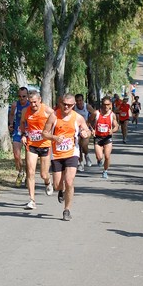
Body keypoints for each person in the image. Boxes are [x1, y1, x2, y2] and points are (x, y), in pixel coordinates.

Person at [42, 93, 90, 221]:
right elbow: (44, 133)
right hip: (57, 154)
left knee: (69, 181)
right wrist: (54, 137)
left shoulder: (78, 118)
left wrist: (86, 133)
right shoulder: (54, 116)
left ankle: (67, 210)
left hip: (72, 153)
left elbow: (87, 130)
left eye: (69, 105)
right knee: (57, 185)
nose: (66, 107)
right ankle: (61, 190)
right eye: (64, 104)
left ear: (73, 105)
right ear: (60, 103)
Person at [19, 91, 54, 210]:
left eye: (35, 102)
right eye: (30, 102)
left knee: (44, 174)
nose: (33, 105)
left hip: (45, 144)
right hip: (31, 144)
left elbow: (57, 123)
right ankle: (32, 200)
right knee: (30, 172)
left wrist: (52, 135)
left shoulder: (47, 110)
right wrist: (23, 134)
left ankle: (48, 182)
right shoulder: (25, 111)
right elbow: (22, 122)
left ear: (40, 100)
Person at [88, 96, 119, 179]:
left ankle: (105, 171)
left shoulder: (112, 115)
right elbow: (88, 122)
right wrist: (92, 129)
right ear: (102, 104)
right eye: (104, 104)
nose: (106, 106)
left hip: (107, 138)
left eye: (108, 104)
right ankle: (99, 160)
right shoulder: (96, 113)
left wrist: (112, 131)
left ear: (110, 105)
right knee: (99, 157)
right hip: (98, 138)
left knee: (107, 156)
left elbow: (116, 126)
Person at [8, 87, 30, 186]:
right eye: (20, 96)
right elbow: (12, 114)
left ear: (27, 96)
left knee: (28, 158)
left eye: (24, 96)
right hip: (18, 131)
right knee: (16, 155)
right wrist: (11, 124)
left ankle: (29, 177)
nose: (22, 98)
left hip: (29, 133)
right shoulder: (15, 105)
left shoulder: (31, 105)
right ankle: (21, 172)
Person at [73, 94, 95, 171]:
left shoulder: (87, 106)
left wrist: (89, 122)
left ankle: (87, 155)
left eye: (80, 100)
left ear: (83, 100)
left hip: (85, 128)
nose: (79, 102)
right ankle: (81, 163)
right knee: (78, 146)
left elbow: (95, 113)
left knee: (84, 145)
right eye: (77, 101)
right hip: (77, 129)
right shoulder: (73, 107)